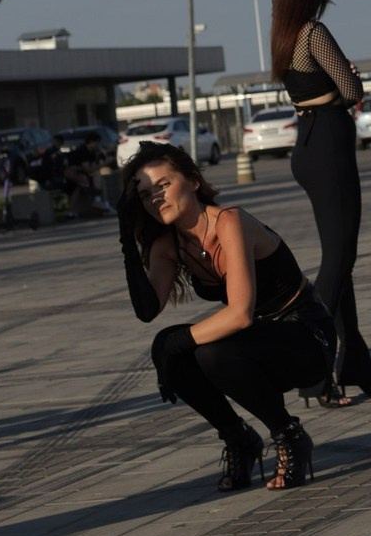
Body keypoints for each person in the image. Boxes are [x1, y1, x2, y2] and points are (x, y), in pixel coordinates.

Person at [117, 140, 334, 490]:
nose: (155, 198)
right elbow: (147, 311)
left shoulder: (229, 221)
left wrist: (177, 342)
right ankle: (238, 438)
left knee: (202, 348)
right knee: (167, 349)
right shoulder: (168, 244)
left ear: (194, 181)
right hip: (258, 344)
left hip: (306, 337)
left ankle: (289, 434)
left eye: (163, 185)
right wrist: (127, 240)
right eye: (145, 195)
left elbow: (240, 315)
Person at [270, 0, 371, 405]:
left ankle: (357, 367)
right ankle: (314, 374)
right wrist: (352, 79)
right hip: (329, 149)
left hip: (307, 144)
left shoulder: (283, 37)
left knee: (341, 263)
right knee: (338, 261)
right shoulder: (313, 33)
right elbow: (353, 89)